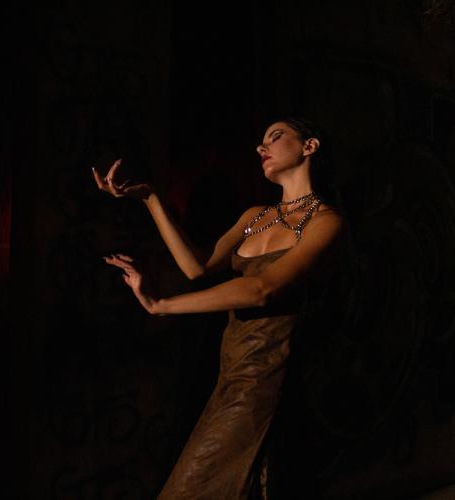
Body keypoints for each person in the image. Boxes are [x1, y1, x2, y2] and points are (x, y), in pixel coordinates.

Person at [93, 118, 346, 498]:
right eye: (260, 141)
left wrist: (162, 305)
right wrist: (151, 198)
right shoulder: (254, 218)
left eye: (275, 137)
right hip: (230, 376)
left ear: (309, 146)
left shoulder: (326, 222)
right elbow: (198, 267)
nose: (261, 147)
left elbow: (262, 288)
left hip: (268, 381)